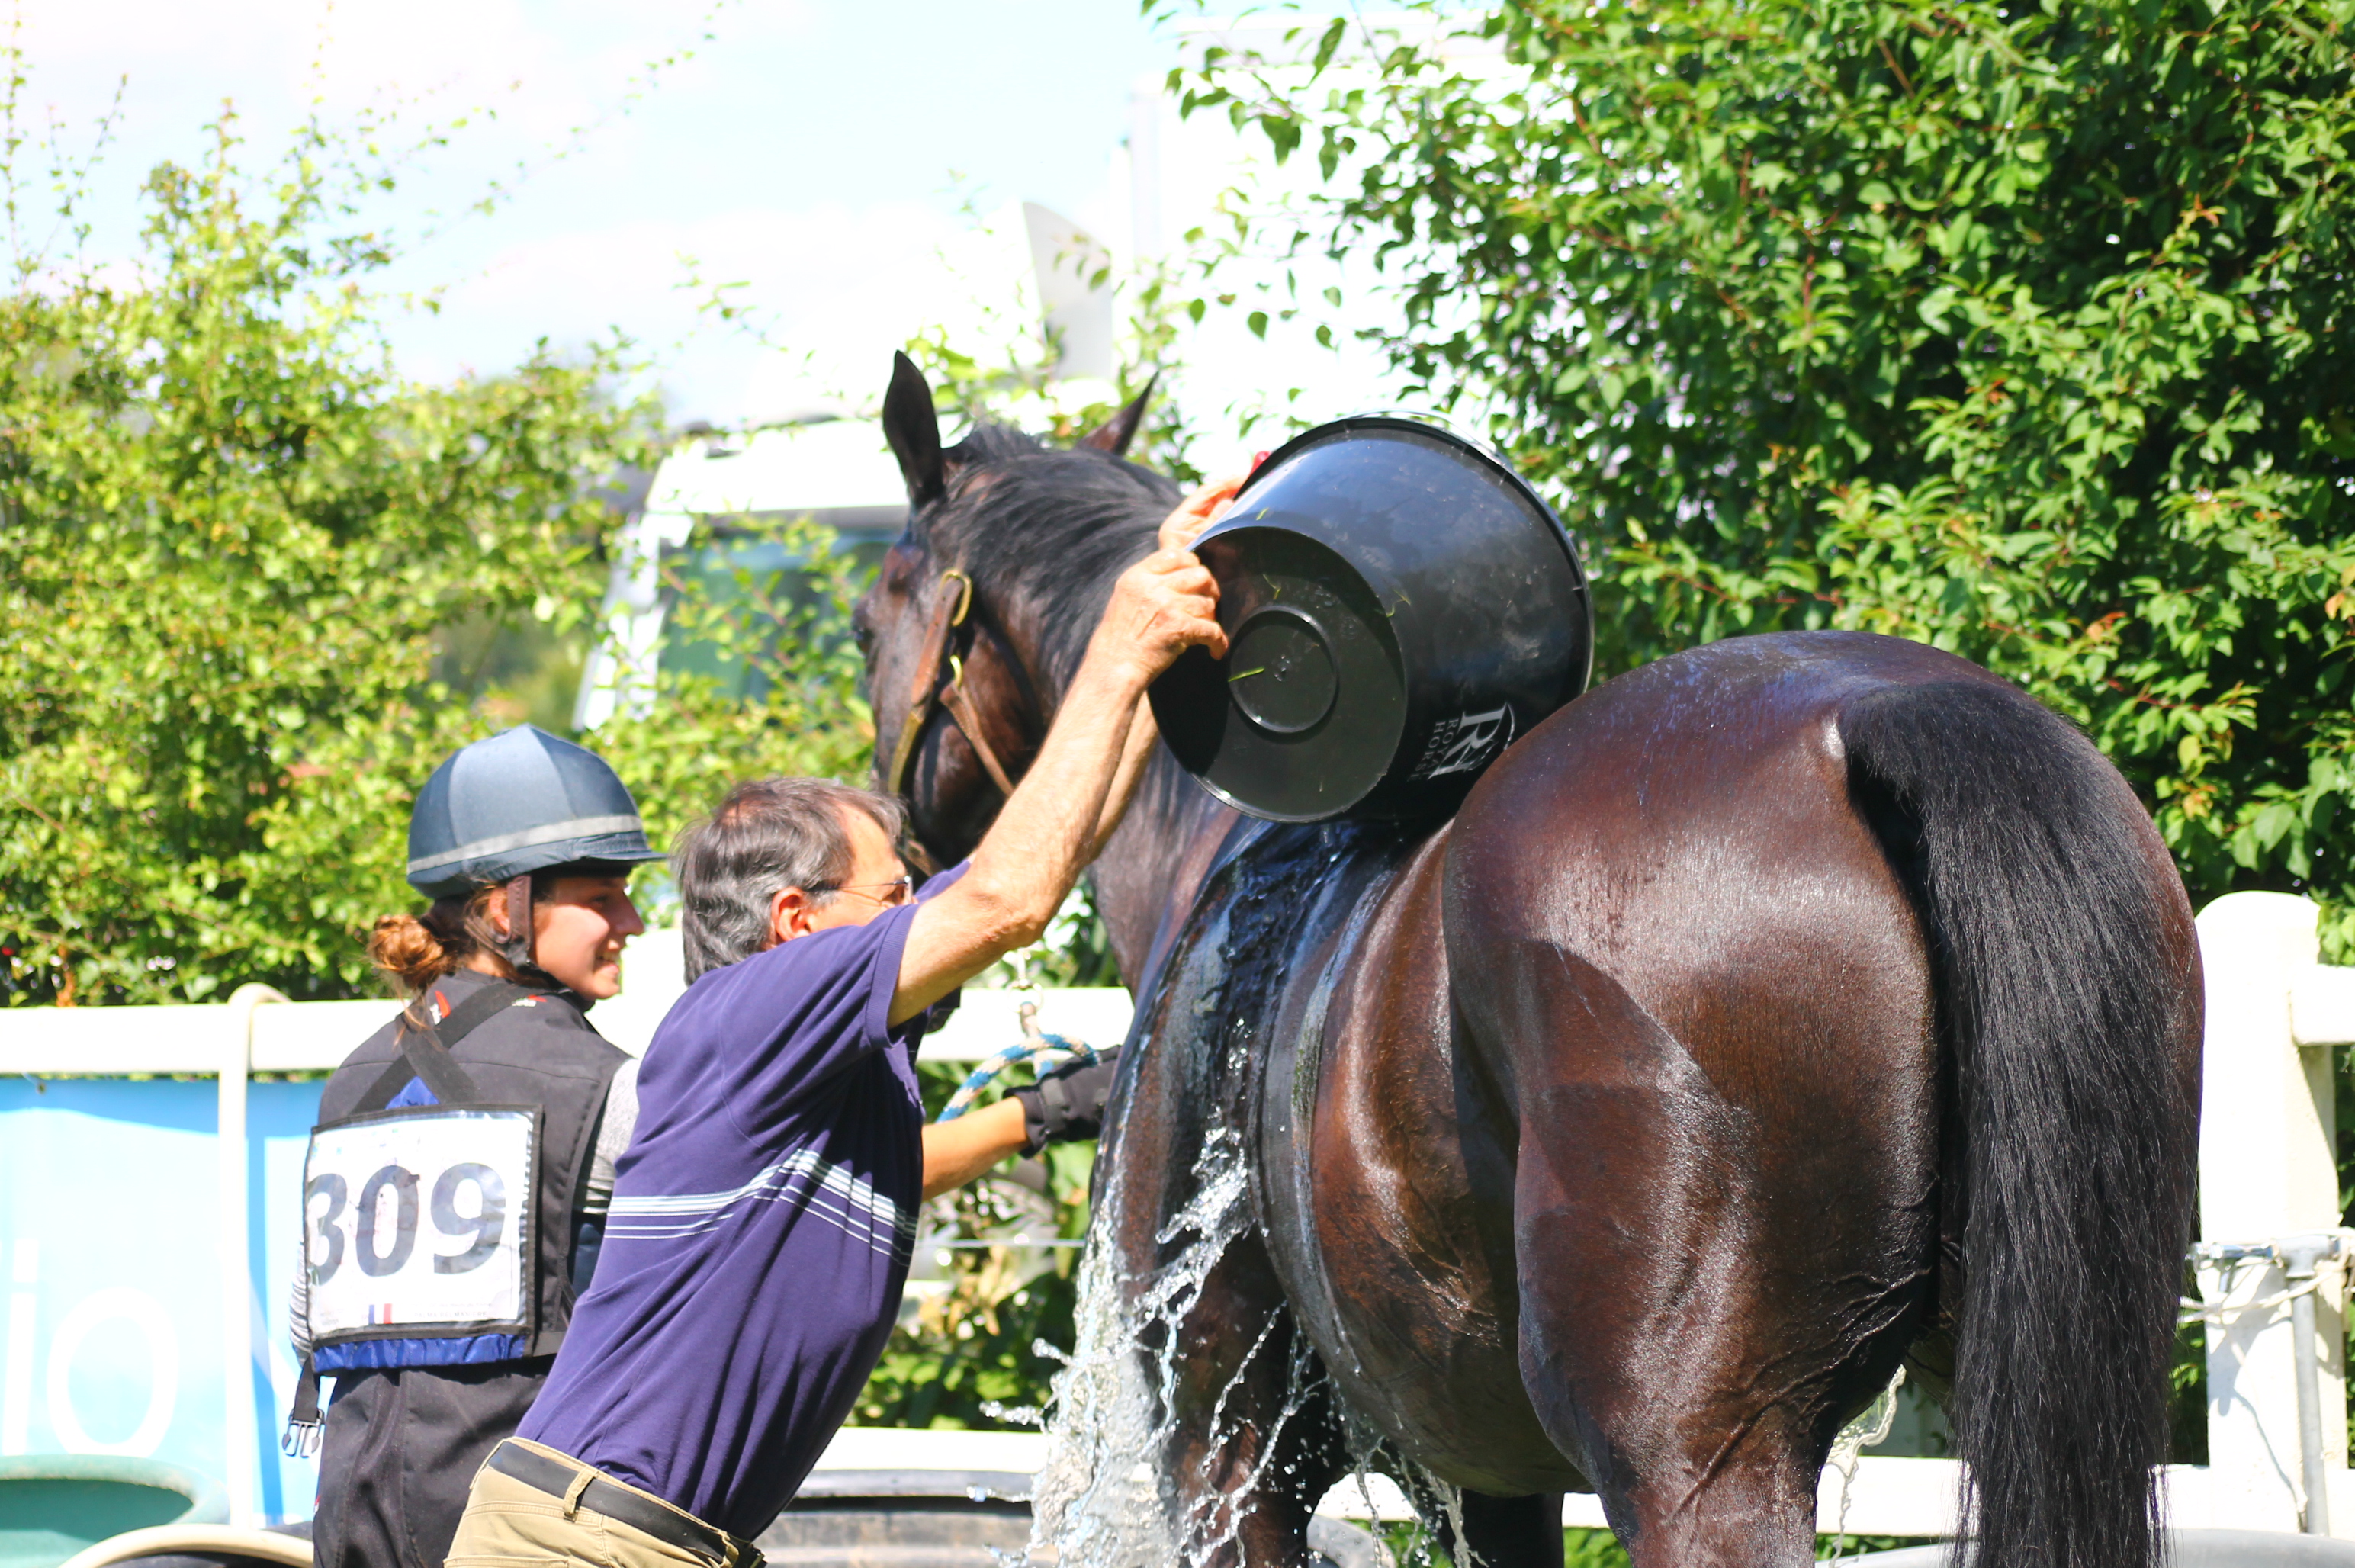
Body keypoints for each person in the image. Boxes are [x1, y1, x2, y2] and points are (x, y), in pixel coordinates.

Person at [442, 496, 1232, 1568]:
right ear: (797, 924)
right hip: (583, 1547)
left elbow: (1065, 835)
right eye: (895, 896)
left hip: (660, 1541)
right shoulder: (744, 1016)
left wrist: (1165, 617)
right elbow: (1009, 900)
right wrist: (1115, 642)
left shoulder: (810, 1078)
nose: (918, 919)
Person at [288, 724, 668, 1568]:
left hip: (351, 1522)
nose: (633, 920)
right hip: (521, 1531)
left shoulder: (352, 1077)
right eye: (603, 895)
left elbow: (303, 1320)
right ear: (505, 908)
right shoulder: (606, 1083)